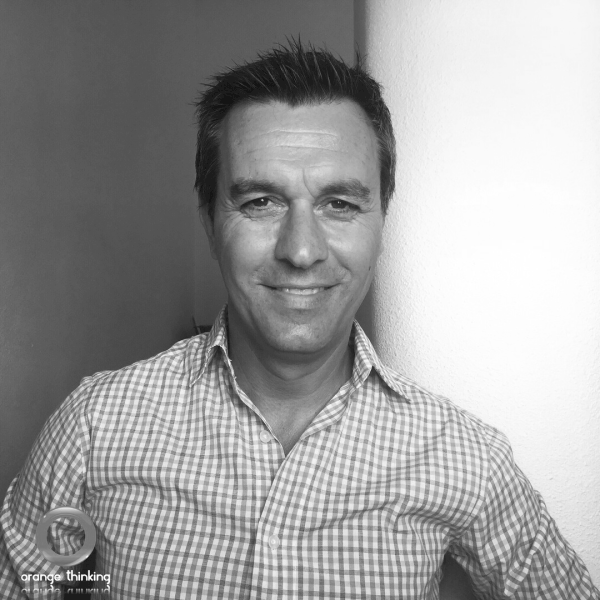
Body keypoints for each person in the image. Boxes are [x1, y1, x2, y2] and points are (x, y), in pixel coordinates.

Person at [1, 41, 598, 600]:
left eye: (340, 204)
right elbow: (34, 584)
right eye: (260, 202)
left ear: (382, 221)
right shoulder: (95, 426)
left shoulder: (464, 457)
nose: (302, 250)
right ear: (210, 222)